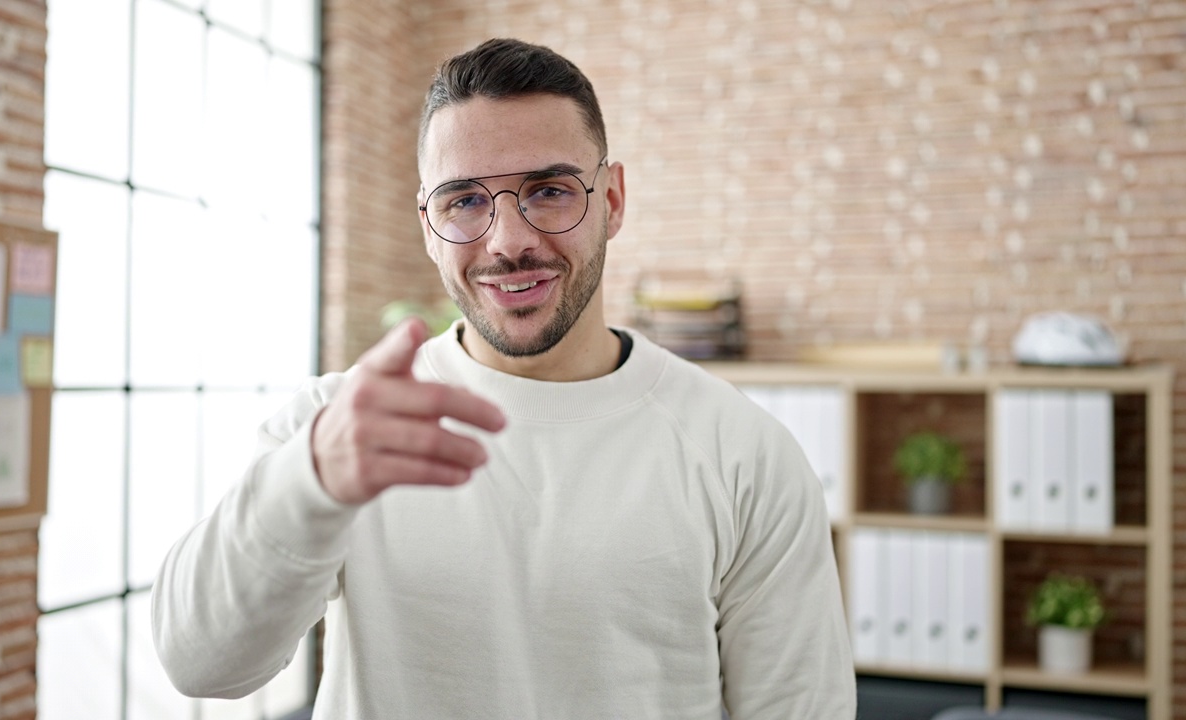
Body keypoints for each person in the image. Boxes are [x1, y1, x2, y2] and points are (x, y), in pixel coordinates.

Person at [151, 37, 856, 719]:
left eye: (548, 191)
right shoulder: (340, 427)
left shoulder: (742, 452)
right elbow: (202, 665)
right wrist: (310, 482)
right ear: (428, 226)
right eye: (464, 200)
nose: (508, 241)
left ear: (611, 200)